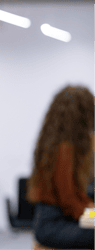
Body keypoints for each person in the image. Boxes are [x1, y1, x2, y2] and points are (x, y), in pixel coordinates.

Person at [27, 85, 94, 249]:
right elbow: (69, 201)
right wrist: (92, 213)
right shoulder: (64, 149)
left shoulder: (52, 145)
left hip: (53, 221)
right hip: (54, 226)